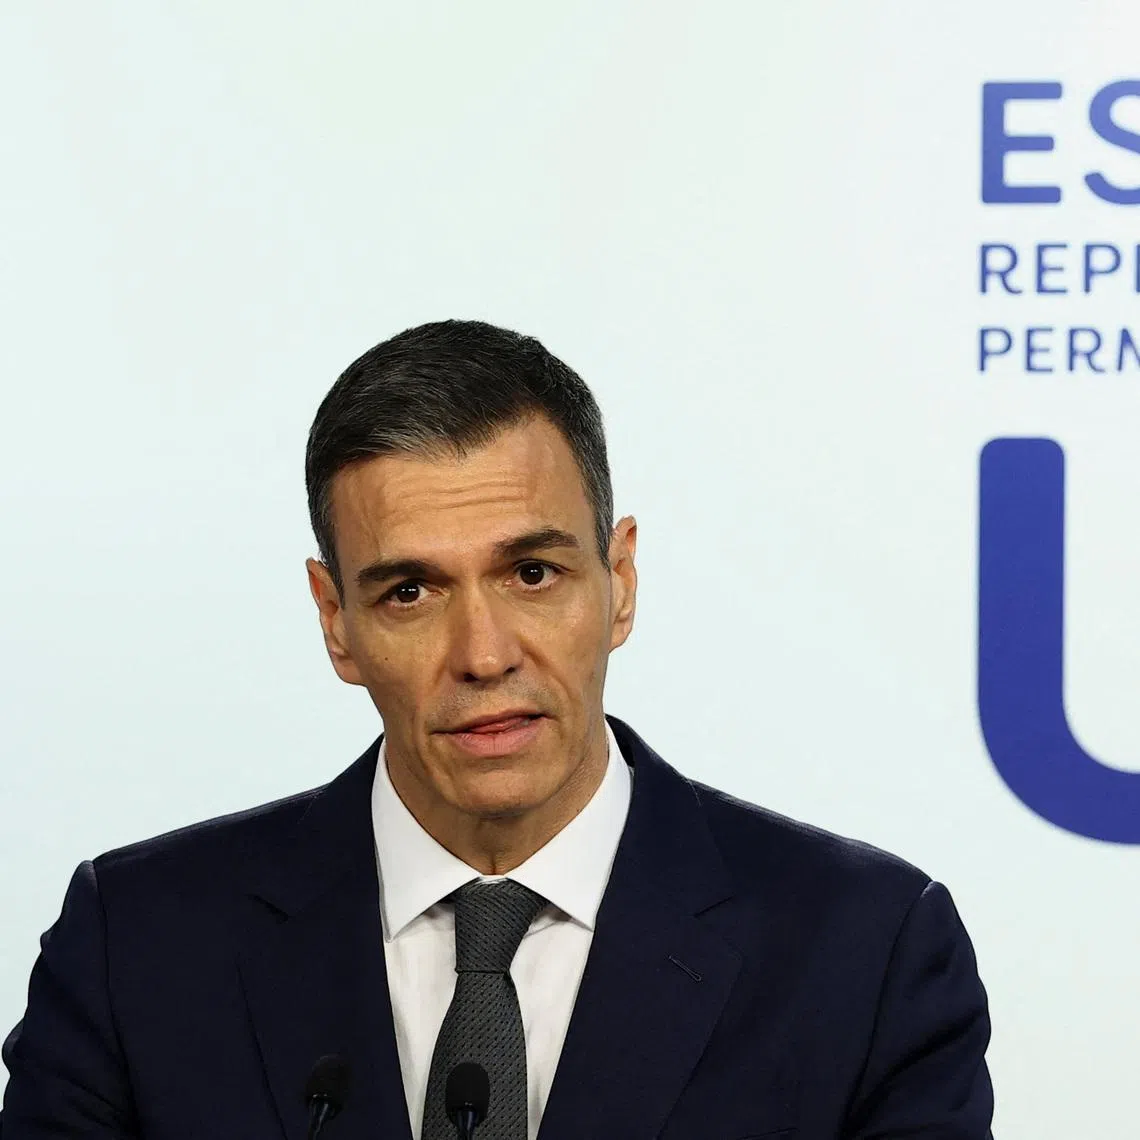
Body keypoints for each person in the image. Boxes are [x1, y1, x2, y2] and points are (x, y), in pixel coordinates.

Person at [1, 320, 994, 1139]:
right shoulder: (137, 947)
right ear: (335, 621)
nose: (484, 653)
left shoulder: (863, 954)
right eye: (410, 590)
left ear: (622, 583)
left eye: (532, 574)